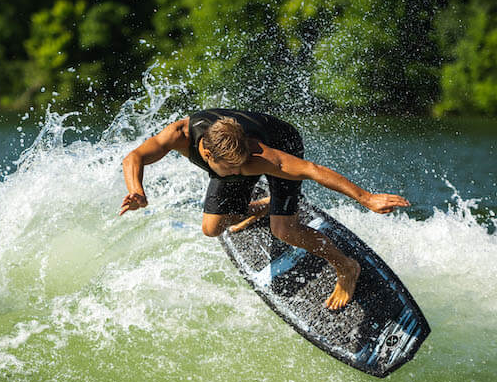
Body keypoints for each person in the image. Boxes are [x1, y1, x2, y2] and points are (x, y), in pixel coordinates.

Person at [119, 108, 409, 309]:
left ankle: (346, 266)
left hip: (282, 143)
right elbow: (134, 157)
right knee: (212, 228)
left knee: (284, 230)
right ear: (206, 153)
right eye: (234, 167)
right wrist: (136, 190)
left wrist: (366, 198)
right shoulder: (179, 135)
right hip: (236, 157)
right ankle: (264, 206)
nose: (244, 171)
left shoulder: (258, 155)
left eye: (244, 164)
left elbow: (312, 170)